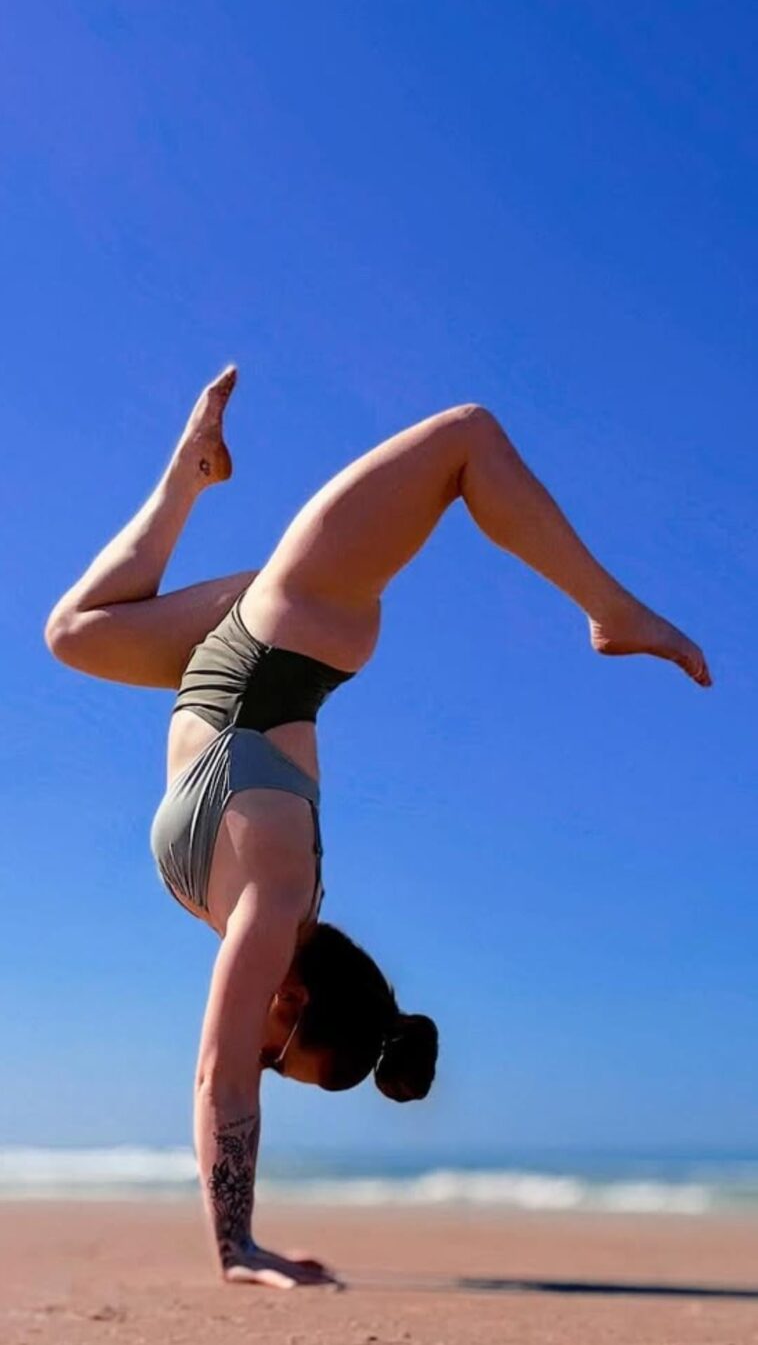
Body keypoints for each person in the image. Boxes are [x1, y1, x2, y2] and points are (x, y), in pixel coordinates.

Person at [45, 368, 711, 1288]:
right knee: (467, 436)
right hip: (296, 622)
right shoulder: (276, 902)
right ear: (295, 1003)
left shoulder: (250, 913)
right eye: (279, 1059)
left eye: (272, 1070)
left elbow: (228, 1069)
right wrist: (235, 1247)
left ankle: (193, 473)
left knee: (75, 632)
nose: (258, 1060)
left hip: (232, 645)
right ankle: (611, 611)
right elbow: (218, 1077)